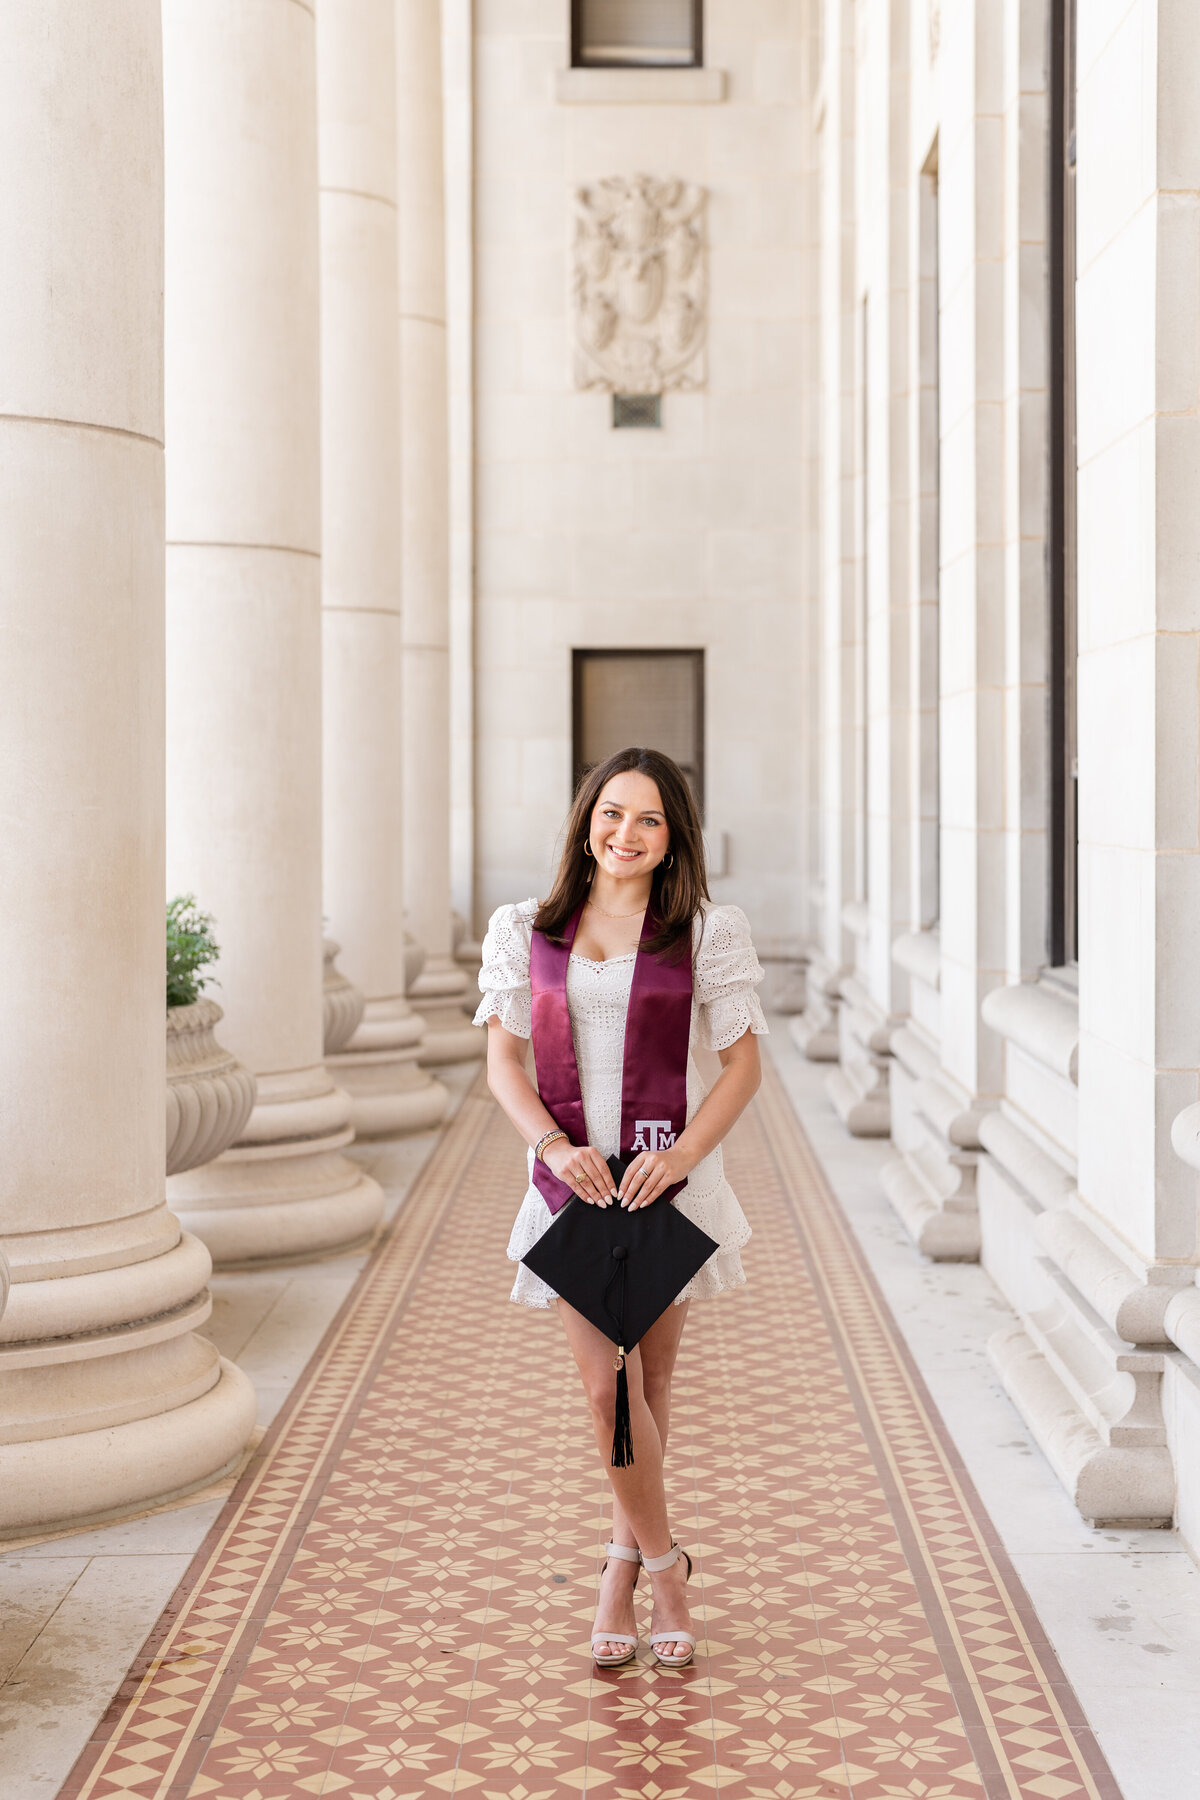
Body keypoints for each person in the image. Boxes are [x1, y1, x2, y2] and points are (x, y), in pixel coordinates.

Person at [474, 746, 768, 1669]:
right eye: (611, 813)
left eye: (649, 819)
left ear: (673, 834)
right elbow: (503, 1065)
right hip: (574, 1189)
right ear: (585, 821)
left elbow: (743, 1067)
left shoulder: (707, 932)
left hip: (667, 1184)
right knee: (608, 1388)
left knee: (652, 1387)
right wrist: (551, 1146)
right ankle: (658, 1565)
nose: (626, 834)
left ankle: (618, 1558)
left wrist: (680, 1155)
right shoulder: (527, 928)